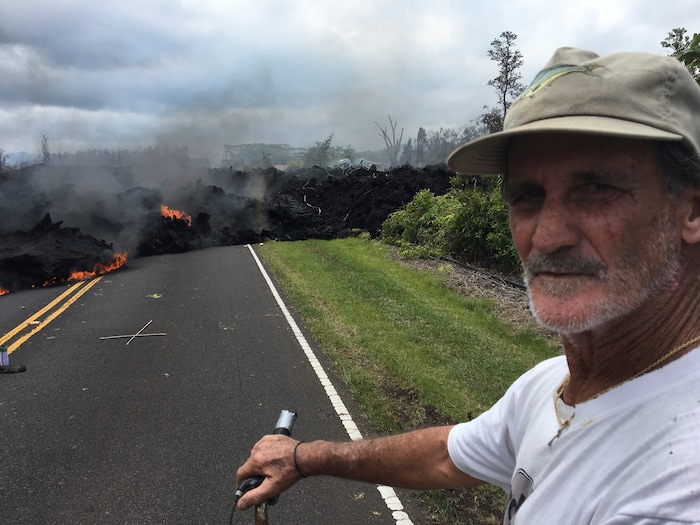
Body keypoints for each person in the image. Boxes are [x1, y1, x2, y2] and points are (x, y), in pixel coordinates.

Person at [236, 47, 700, 523]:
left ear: (691, 210)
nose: (546, 235)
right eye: (527, 195)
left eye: (597, 188)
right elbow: (445, 455)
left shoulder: (678, 486)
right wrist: (301, 458)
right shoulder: (550, 385)